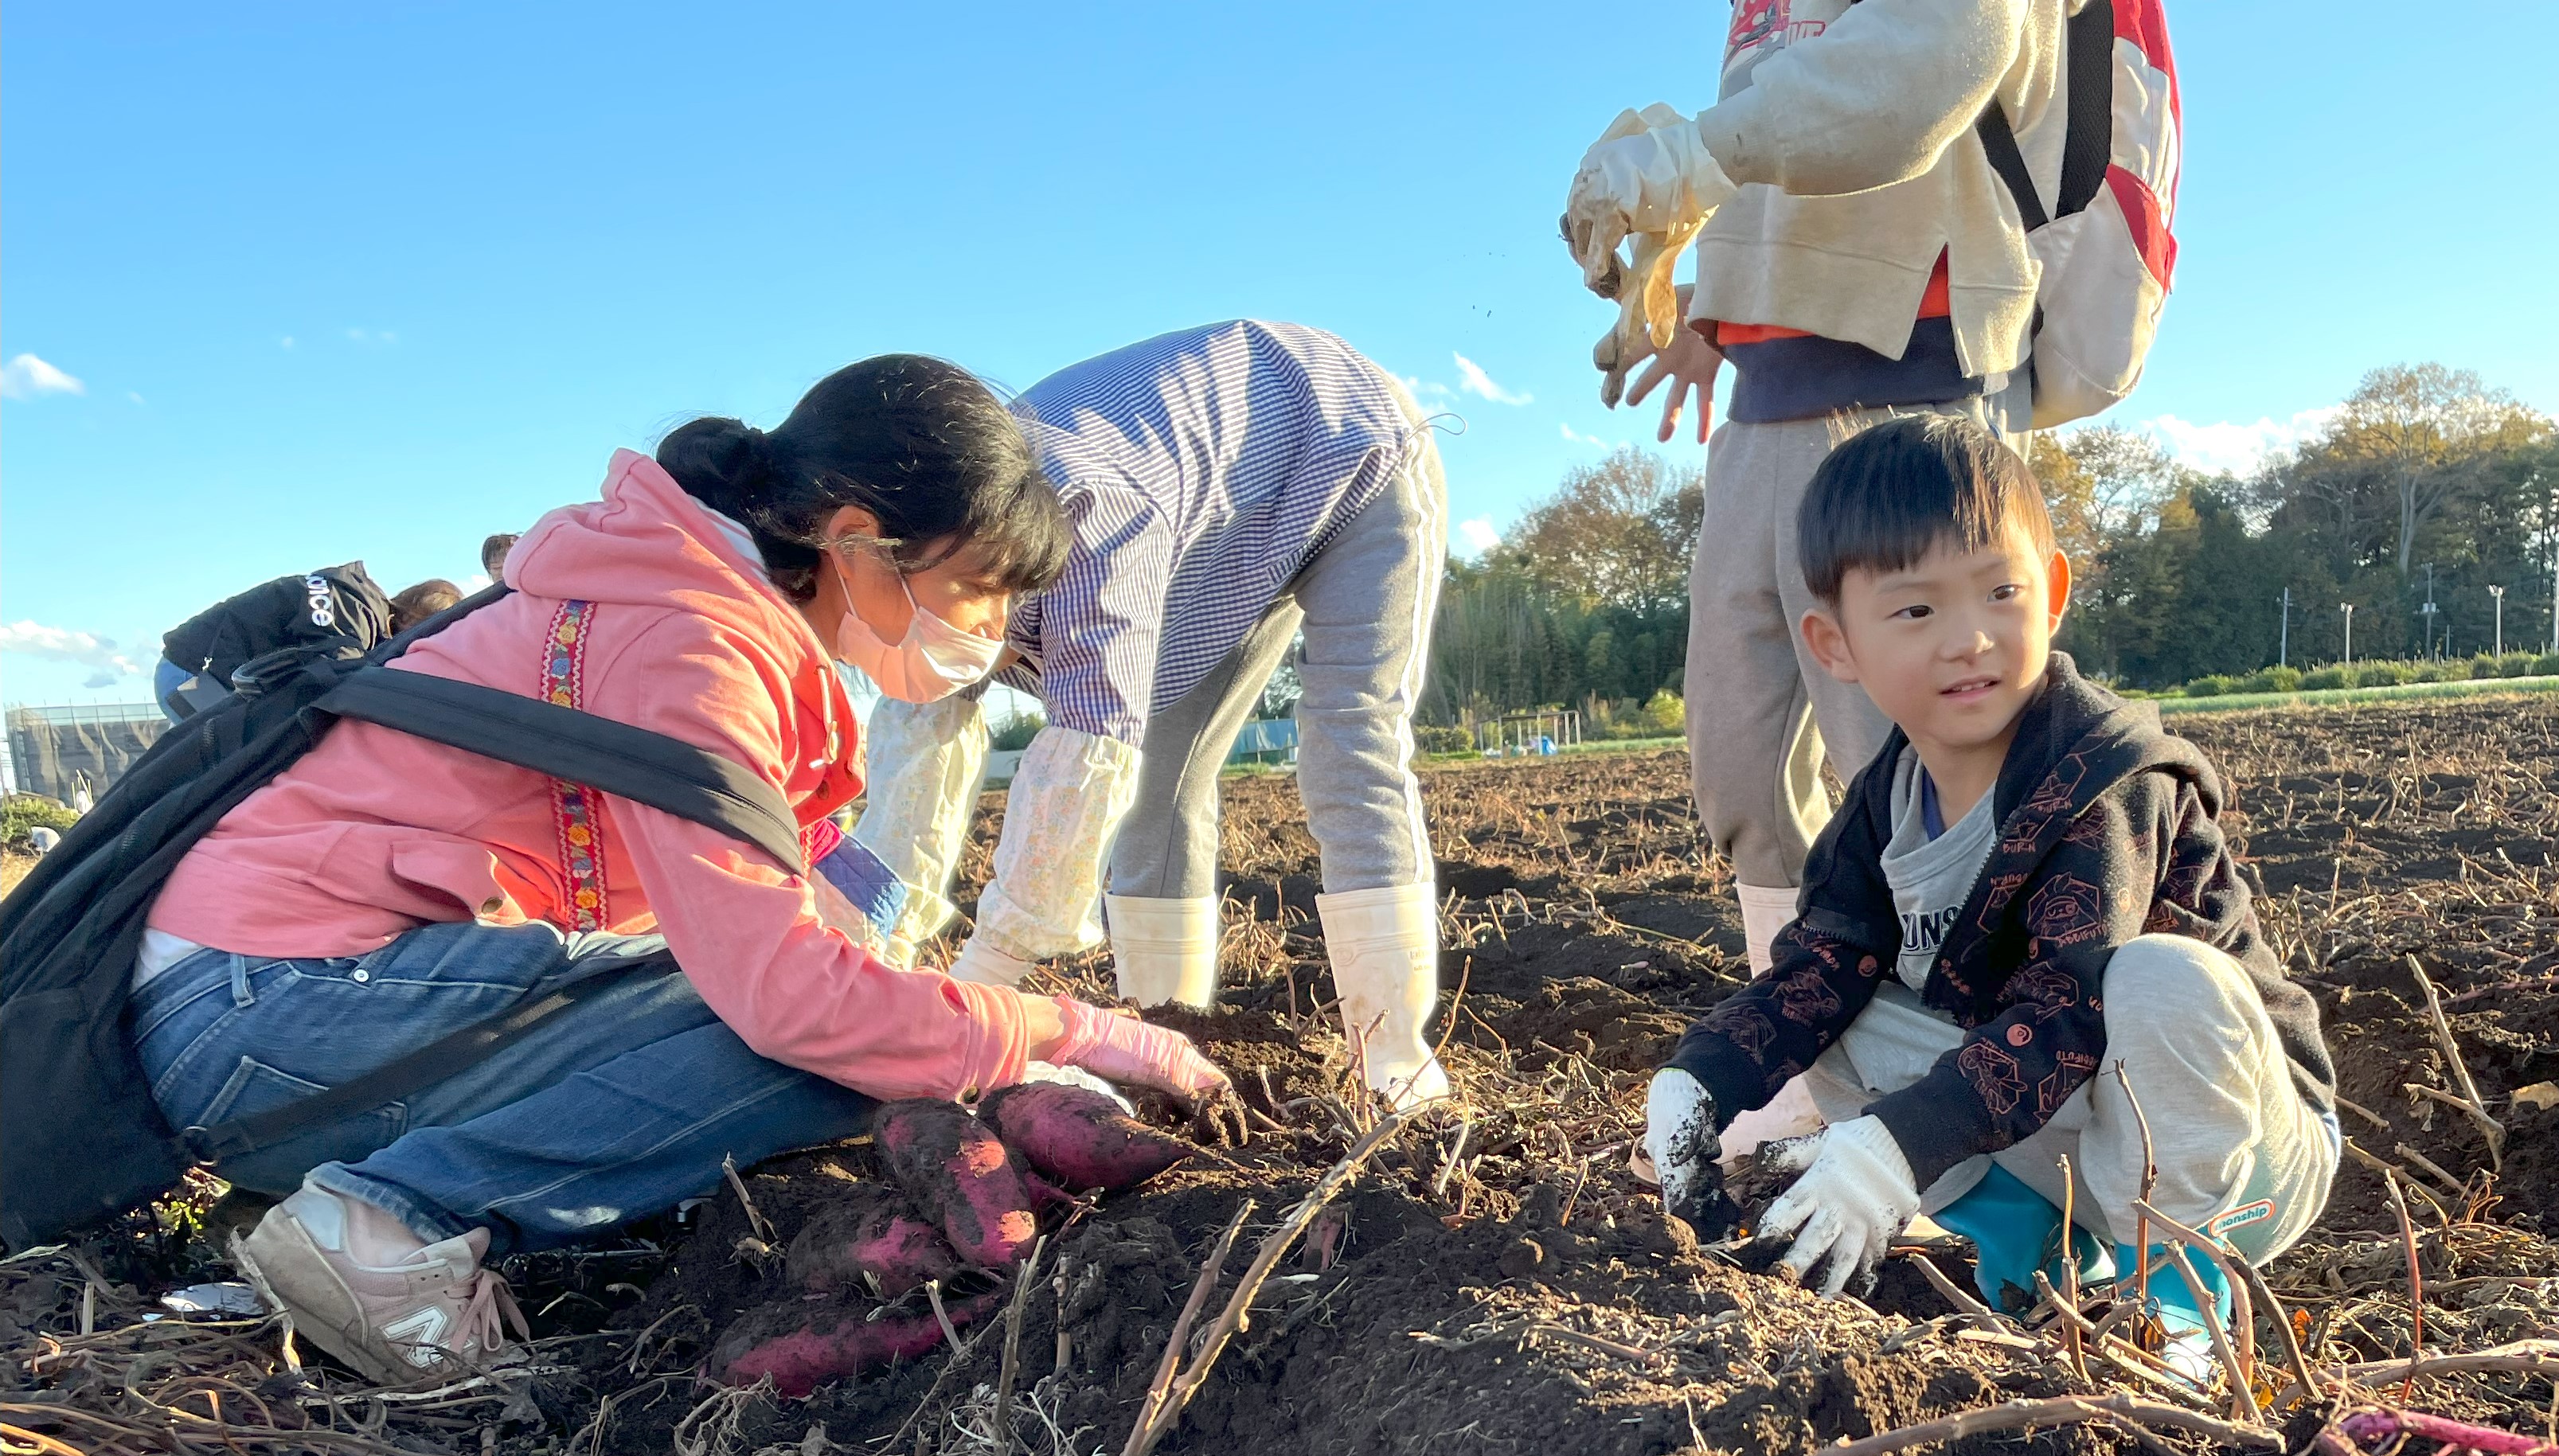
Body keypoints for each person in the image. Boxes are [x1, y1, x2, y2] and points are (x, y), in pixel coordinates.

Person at [131, 354, 1230, 1385]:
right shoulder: (690, 644)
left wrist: (945, 1026)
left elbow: (784, 910)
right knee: (813, 1046)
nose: (991, 635)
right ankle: (384, 1225)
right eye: (979, 591)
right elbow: (794, 1002)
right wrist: (1061, 1030)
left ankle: (321, 1189)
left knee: (798, 1013)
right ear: (857, 539)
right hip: (268, 1011)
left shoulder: (678, 594)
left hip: (270, 1020)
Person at [1567, 0, 2182, 1149]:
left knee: (1914, 776)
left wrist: (1687, 157)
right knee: (1740, 769)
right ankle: (1806, 1078)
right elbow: (1790, 152)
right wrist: (1723, 301)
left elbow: (1931, 66)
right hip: (1766, 402)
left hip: (1921, 376)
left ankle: (1972, 1120)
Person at [1639, 416, 2333, 1371]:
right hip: (2074, 1144)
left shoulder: (2106, 778)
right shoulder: (1882, 807)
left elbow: (2073, 1007)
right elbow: (1819, 970)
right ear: (1835, 645)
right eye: (1915, 612)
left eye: (2000, 593)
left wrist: (1891, 1148)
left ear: (2048, 593)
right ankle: (2017, 1252)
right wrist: (1700, 1079)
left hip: (2237, 1156)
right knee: (1839, 1008)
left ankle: (2176, 1290)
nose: (1969, 640)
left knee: (2164, 981)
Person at [853, 320, 1453, 1107]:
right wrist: (871, 969)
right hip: (1203, 530)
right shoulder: (908, 575)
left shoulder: (1087, 536)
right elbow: (905, 792)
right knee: (1158, 791)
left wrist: (974, 997)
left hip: (1346, 444)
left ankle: (1395, 1066)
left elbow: (1082, 781)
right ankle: (1173, 1031)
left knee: (1352, 740)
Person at [158, 561, 397, 720]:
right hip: (194, 676)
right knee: (225, 767)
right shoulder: (349, 614)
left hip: (193, 665)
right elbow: (334, 670)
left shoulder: (351, 599)